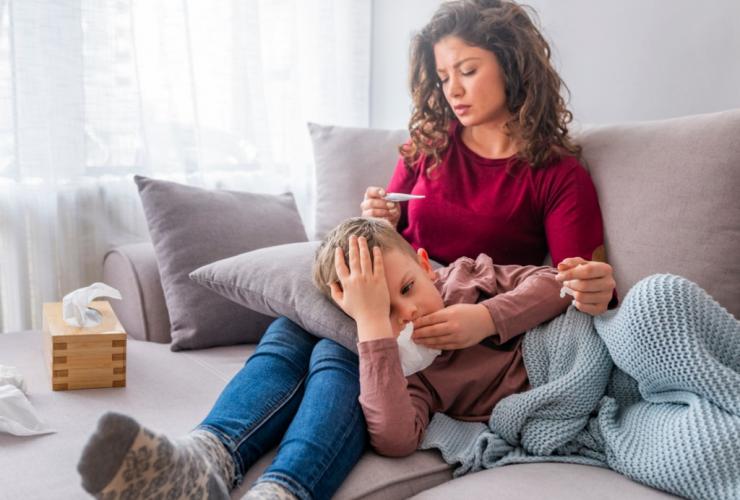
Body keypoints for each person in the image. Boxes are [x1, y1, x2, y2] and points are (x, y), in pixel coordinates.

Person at [77, 1, 618, 499]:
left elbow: (574, 288)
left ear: (512, 64)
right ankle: (206, 456)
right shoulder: (426, 149)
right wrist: (382, 219)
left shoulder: (556, 174)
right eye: (444, 75)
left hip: (458, 321)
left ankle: (274, 485)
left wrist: (490, 316)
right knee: (296, 324)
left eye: (468, 70)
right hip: (397, 292)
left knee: (335, 347)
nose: (453, 89)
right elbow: (388, 245)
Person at [314, 217, 572, 456]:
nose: (408, 311)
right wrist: (373, 325)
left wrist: (486, 318)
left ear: (424, 266)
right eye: (384, 310)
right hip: (548, 403)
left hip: (567, 347)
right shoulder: (408, 373)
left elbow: (558, 283)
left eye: (407, 288)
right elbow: (396, 440)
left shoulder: (464, 279)